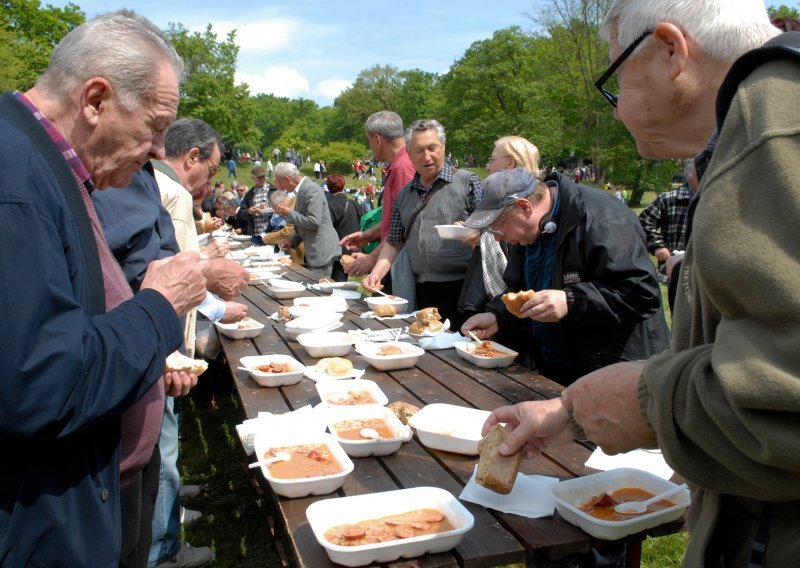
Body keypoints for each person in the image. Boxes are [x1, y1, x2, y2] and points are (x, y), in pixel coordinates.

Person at [485, 2, 799, 566]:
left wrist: (644, 400)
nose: (615, 112)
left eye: (616, 80)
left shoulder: (773, 129)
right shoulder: (756, 123)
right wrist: (570, 410)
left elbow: (778, 399)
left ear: (672, 50)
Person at [0, 10, 212, 567]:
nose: (160, 149)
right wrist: (159, 308)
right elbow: (45, 384)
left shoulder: (43, 165)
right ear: (94, 100)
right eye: (156, 125)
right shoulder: (17, 181)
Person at [462, 168, 669, 386]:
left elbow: (642, 293)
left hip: (615, 372)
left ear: (525, 207)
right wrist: (499, 317)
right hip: (559, 372)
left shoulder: (601, 219)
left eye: (498, 227)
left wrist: (571, 301)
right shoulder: (529, 230)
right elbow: (522, 290)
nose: (496, 238)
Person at [150, 117, 249, 568]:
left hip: (162, 332)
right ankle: (164, 547)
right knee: (161, 440)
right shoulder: (170, 193)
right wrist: (213, 299)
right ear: (191, 157)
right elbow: (174, 269)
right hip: (164, 337)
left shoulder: (164, 189)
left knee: (164, 439)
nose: (209, 182)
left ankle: (166, 510)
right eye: (209, 171)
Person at [362, 119, 481, 327]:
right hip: (419, 289)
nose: (427, 157)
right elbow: (394, 241)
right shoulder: (404, 194)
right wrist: (376, 273)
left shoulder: (468, 182)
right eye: (418, 151)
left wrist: (476, 233)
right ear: (408, 152)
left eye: (432, 148)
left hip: (463, 290)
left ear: (443, 147)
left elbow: (490, 232)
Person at [458, 135, 539, 317]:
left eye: (492, 160)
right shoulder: (505, 198)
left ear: (510, 162)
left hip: (513, 309)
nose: (488, 166)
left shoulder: (526, 208)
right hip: (499, 309)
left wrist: (484, 235)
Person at [340, 111, 418, 285]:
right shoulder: (399, 166)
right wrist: (366, 236)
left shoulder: (403, 168)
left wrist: (372, 258)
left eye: (369, 141)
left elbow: (403, 227)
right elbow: (395, 220)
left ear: (378, 139)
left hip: (399, 265)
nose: (370, 147)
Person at [272, 162, 341, 279]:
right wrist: (292, 240)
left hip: (322, 253)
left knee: (319, 291)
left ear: (287, 179)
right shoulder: (302, 190)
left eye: (279, 181)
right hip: (316, 252)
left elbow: (314, 221)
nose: (278, 185)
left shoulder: (311, 190)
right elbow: (304, 222)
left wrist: (288, 213)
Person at [638, 159, 696, 283]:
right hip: (675, 270)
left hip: (706, 271)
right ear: (687, 174)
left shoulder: (716, 200)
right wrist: (657, 246)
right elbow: (643, 222)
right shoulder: (668, 199)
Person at [325, 174, 360, 281]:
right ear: (343, 185)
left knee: (338, 284)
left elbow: (327, 229)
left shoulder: (329, 205)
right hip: (353, 247)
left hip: (337, 250)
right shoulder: (354, 204)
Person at [238, 165, 273, 236]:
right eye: (259, 177)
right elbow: (241, 213)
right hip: (255, 234)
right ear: (253, 178)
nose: (262, 179)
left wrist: (267, 209)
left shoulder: (273, 190)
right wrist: (249, 211)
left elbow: (281, 211)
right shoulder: (249, 194)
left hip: (271, 233)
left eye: (263, 176)